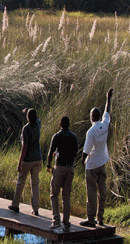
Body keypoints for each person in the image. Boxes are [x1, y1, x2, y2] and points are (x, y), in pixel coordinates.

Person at [80, 88, 113, 228]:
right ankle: (100, 218)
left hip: (92, 165)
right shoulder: (105, 125)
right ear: (99, 116)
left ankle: (91, 219)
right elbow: (107, 111)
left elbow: (86, 151)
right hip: (102, 164)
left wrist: (83, 161)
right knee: (102, 192)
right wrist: (108, 98)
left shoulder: (91, 131)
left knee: (92, 193)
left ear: (92, 117)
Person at [47, 116, 78, 232]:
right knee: (66, 197)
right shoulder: (73, 137)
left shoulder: (57, 136)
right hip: (70, 167)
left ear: (60, 124)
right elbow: (75, 152)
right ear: (69, 124)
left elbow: (50, 151)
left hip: (59, 166)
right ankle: (66, 223)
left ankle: (56, 220)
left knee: (54, 193)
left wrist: (49, 165)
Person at [8, 108, 42, 215]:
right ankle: (35, 209)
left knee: (20, 182)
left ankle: (15, 204)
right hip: (38, 159)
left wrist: (20, 162)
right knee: (35, 183)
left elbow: (25, 147)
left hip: (28, 159)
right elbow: (38, 118)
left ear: (27, 117)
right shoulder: (38, 124)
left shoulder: (26, 129)